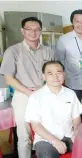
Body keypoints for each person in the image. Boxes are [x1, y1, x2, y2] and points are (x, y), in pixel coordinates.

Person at [0, 17, 56, 158]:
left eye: (37, 29)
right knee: (24, 135)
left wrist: (44, 90)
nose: (33, 32)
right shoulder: (13, 51)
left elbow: (53, 73)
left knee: (47, 131)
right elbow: (8, 78)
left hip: (45, 94)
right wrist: (29, 92)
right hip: (23, 95)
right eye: (29, 29)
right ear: (22, 31)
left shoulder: (48, 51)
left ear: (40, 31)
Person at [25, 61, 82, 158]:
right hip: (46, 139)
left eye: (59, 72)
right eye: (50, 73)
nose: (55, 77)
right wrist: (54, 141)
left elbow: (76, 118)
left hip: (69, 136)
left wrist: (76, 131)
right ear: (44, 76)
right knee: (46, 155)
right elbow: (35, 125)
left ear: (64, 74)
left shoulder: (71, 94)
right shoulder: (35, 97)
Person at [55, 9, 82, 101]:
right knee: (74, 113)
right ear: (72, 23)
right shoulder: (63, 40)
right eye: (77, 21)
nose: (80, 25)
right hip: (71, 84)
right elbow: (60, 62)